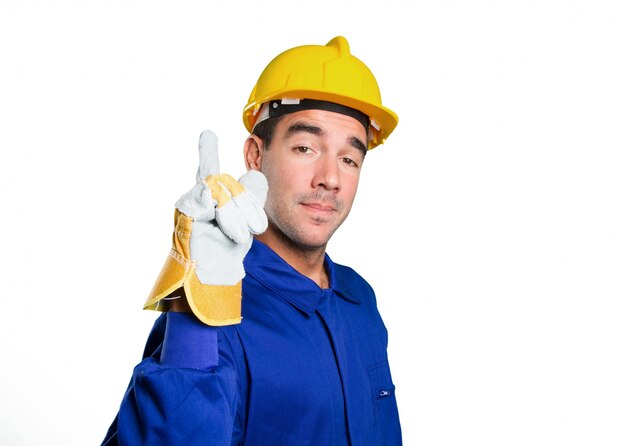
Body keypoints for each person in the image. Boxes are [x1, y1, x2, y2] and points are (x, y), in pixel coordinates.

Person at [102, 35, 402, 445]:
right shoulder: (217, 309)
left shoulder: (359, 299)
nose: (330, 178)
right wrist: (198, 312)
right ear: (255, 156)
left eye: (349, 159)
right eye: (305, 147)